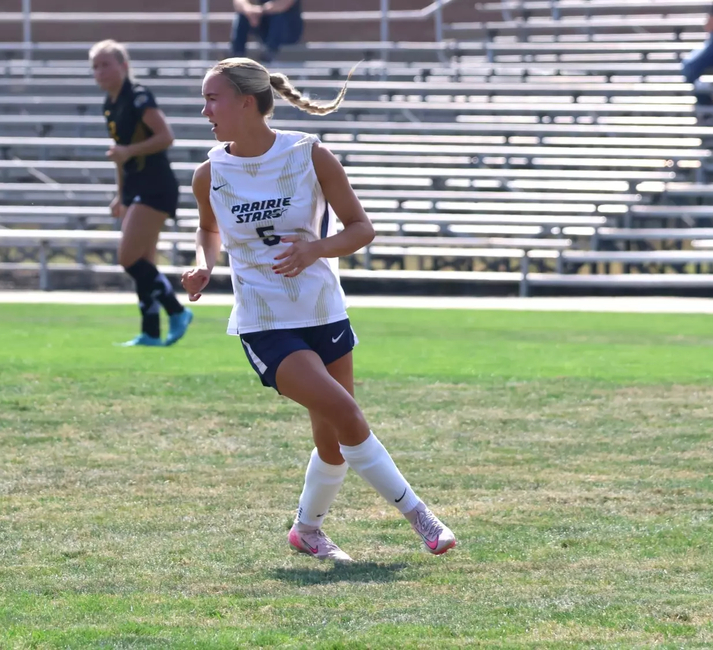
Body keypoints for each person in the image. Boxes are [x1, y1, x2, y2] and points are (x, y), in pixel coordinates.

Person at [181, 58, 456, 562]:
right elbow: (208, 229)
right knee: (346, 412)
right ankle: (420, 516)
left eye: (212, 99)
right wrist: (202, 264)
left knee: (333, 440)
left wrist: (315, 249)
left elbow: (360, 229)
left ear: (246, 102)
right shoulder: (210, 172)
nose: (204, 111)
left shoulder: (310, 153)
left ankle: (307, 530)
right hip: (265, 322)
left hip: (324, 310)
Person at [90, 39, 193, 347]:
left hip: (156, 183)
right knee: (144, 261)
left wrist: (128, 151)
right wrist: (120, 195)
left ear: (124, 66)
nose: (100, 71)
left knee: (129, 258)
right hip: (136, 185)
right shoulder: (110, 103)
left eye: (106, 64)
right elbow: (119, 156)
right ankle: (150, 331)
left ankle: (177, 311)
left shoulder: (138, 97)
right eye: (95, 66)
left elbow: (166, 136)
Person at [230, 0, 303, 64]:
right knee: (242, 16)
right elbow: (238, 2)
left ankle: (269, 55)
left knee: (277, 16)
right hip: (264, 26)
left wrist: (261, 11)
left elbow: (283, 3)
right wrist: (249, 11)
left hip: (288, 30)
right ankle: (237, 55)